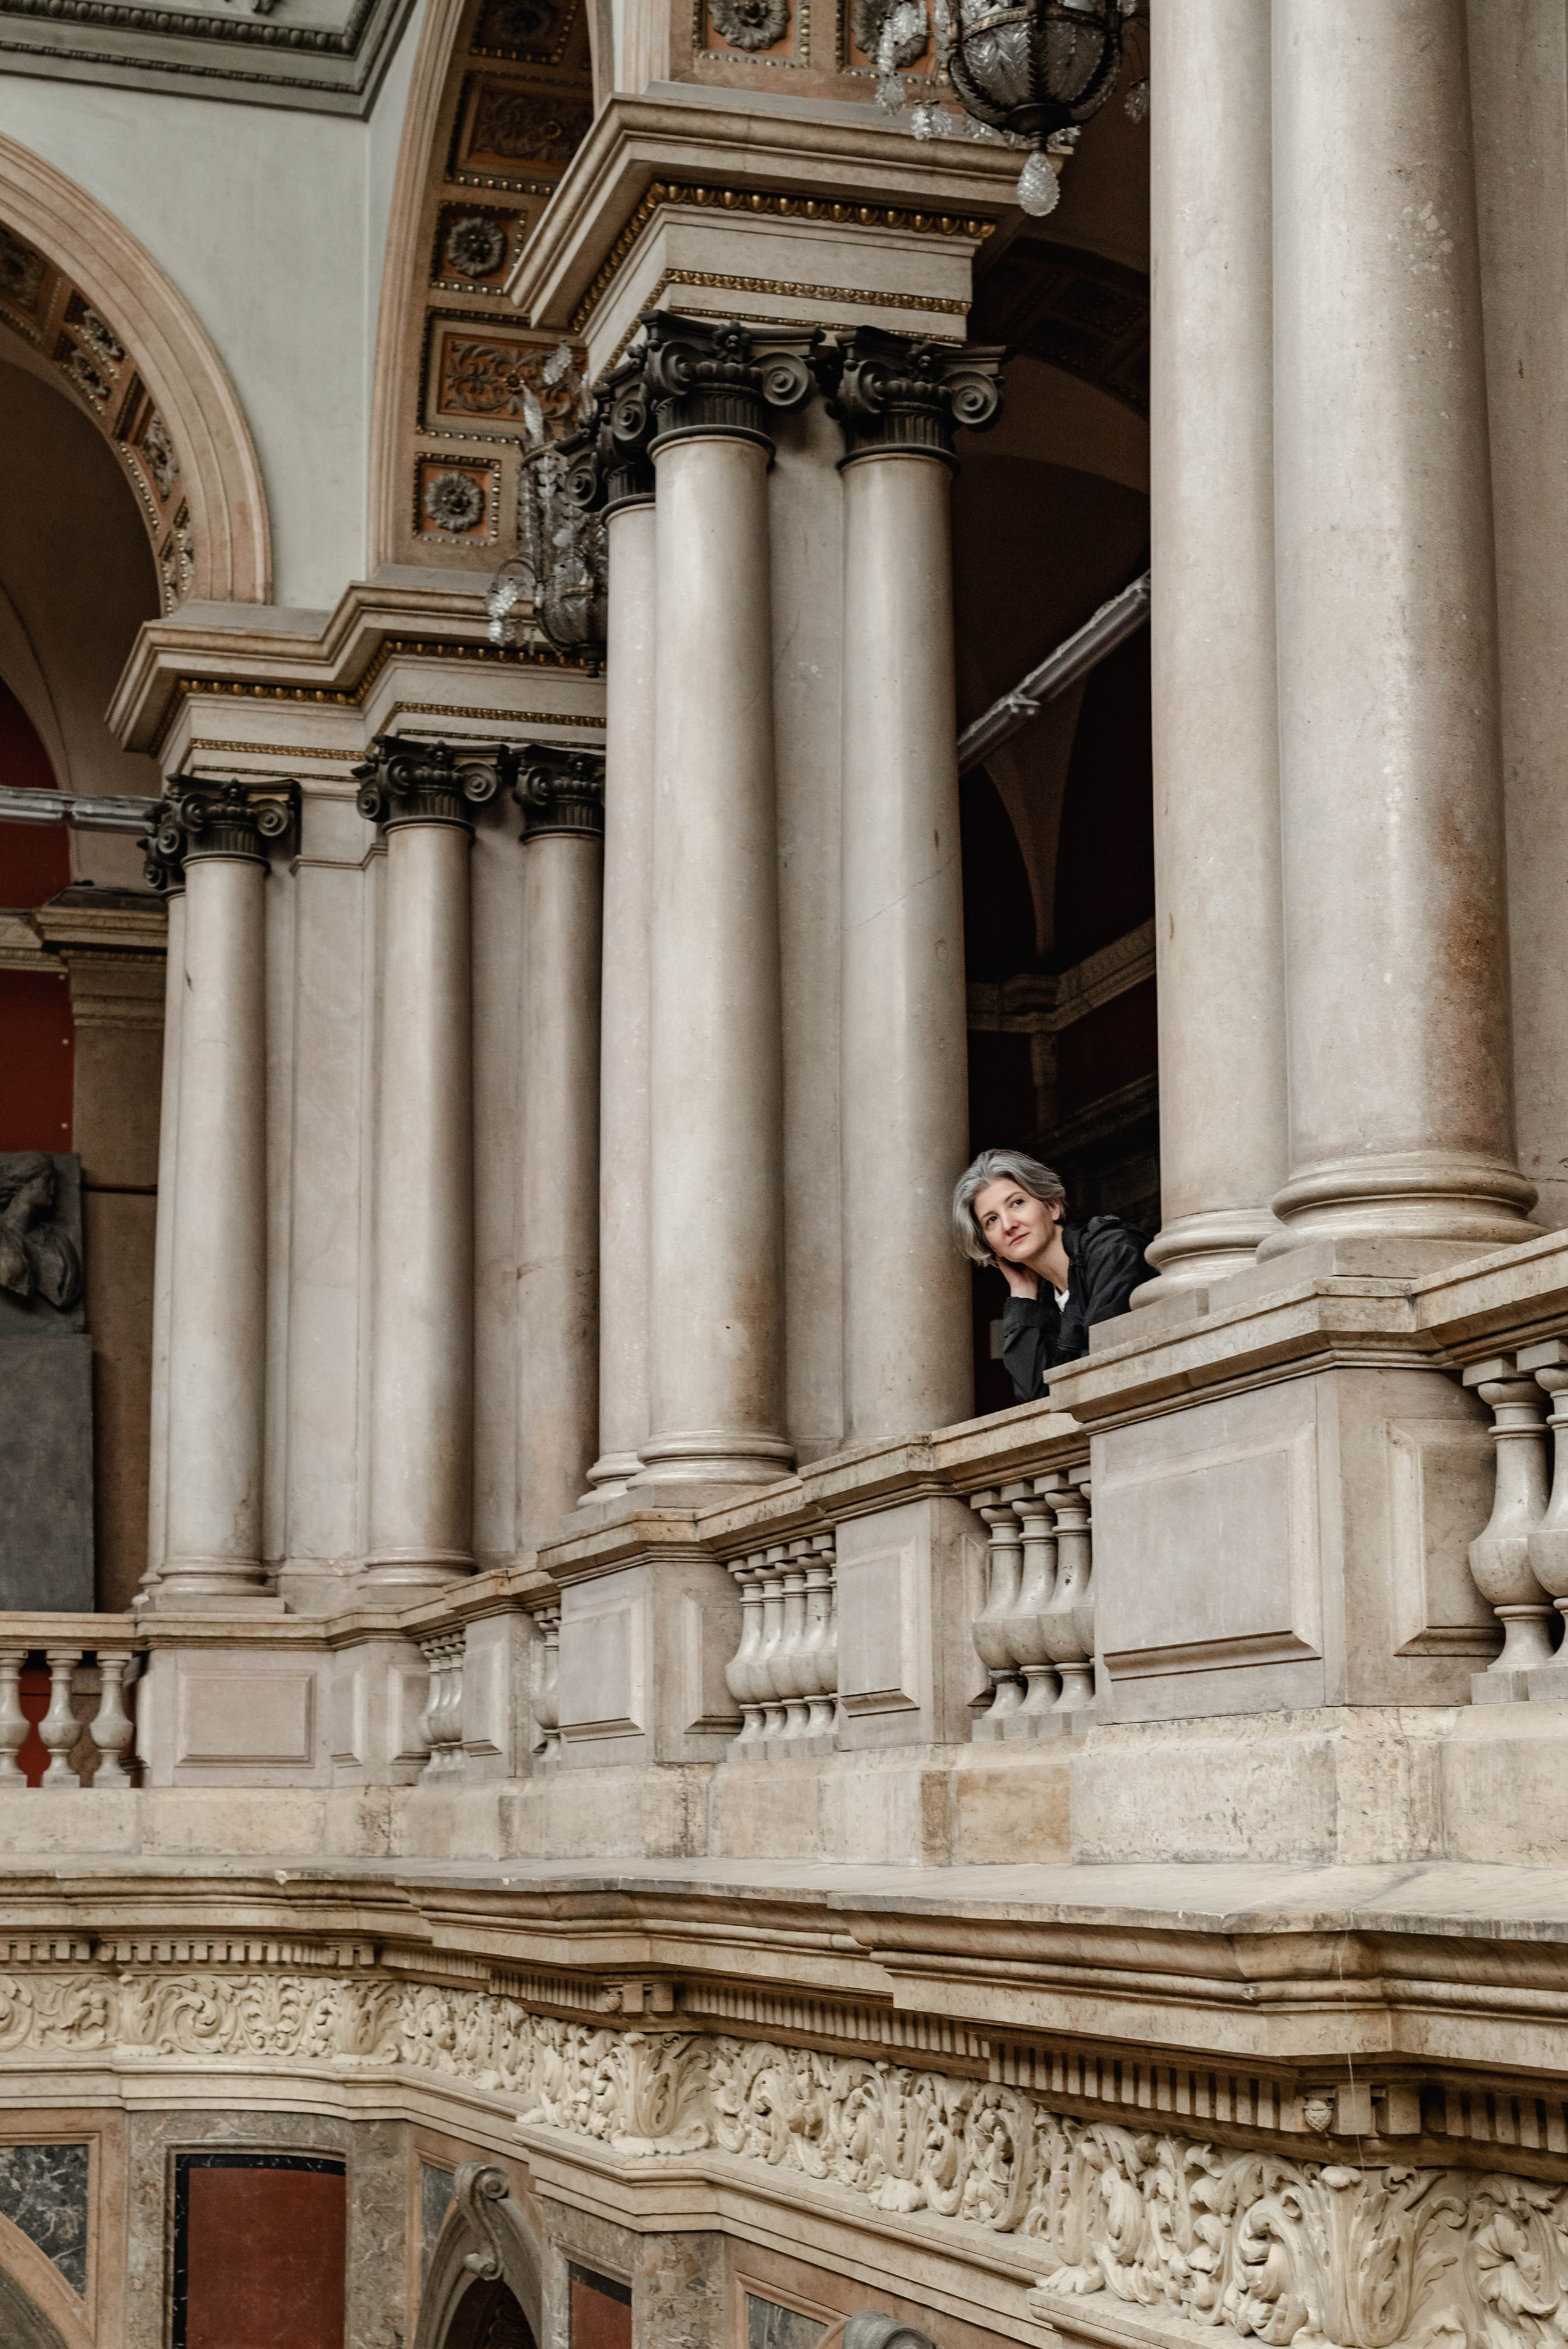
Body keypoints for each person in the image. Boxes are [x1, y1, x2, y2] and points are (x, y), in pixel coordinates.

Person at [952, 1148, 1150, 1403]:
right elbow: (1036, 1397)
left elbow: (1099, 1367)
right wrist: (1023, 1294)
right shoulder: (1043, 1299)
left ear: (1052, 1206)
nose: (1008, 1225)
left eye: (1017, 1203)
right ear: (992, 1247)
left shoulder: (1111, 1251)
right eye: (991, 1220)